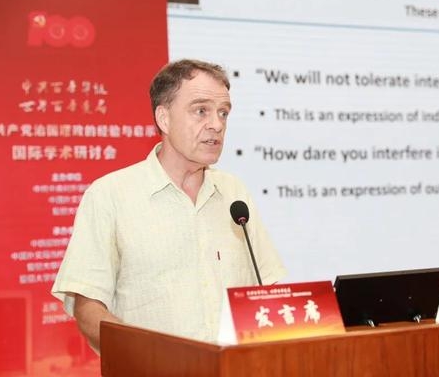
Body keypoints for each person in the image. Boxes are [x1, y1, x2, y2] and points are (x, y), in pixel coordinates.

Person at [51, 59, 286, 352]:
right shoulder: (110, 195)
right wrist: (147, 355)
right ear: (164, 118)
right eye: (201, 111)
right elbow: (88, 307)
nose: (217, 125)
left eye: (223, 113)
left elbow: (268, 288)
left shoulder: (234, 193)